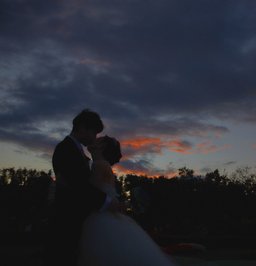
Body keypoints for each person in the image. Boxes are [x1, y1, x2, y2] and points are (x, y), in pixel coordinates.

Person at [78, 136, 176, 266]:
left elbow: (89, 192)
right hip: (107, 212)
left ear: (101, 146)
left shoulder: (98, 165)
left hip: (100, 215)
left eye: (98, 140)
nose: (93, 139)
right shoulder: (103, 165)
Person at [45, 109, 119, 266]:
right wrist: (107, 201)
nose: (94, 137)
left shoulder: (74, 150)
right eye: (94, 132)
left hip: (74, 221)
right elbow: (79, 186)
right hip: (66, 221)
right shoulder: (65, 149)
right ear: (83, 127)